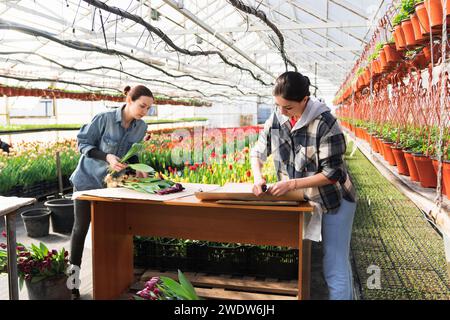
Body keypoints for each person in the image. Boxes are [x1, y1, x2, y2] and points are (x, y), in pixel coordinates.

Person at [250, 71, 357, 300]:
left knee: (334, 261)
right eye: (278, 105)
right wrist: (258, 177)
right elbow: (257, 153)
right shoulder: (277, 119)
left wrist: (292, 183)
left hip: (334, 200)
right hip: (303, 199)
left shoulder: (325, 123)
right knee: (313, 259)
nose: (282, 112)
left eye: (288, 107)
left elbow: (332, 173)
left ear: (305, 101)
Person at [69, 85, 154, 299]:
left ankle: (110, 280)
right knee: (80, 230)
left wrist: (139, 170)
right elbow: (83, 144)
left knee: (110, 231)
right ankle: (73, 285)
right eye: (142, 106)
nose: (144, 111)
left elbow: (132, 154)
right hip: (87, 180)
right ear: (129, 99)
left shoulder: (140, 127)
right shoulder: (104, 118)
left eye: (148, 108)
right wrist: (107, 157)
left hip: (111, 186)